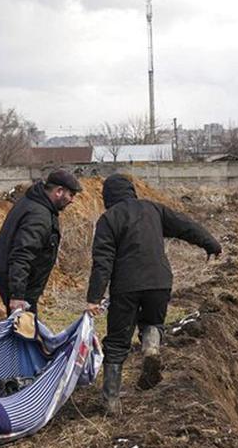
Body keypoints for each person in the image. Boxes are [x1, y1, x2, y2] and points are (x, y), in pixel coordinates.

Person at [85, 174, 220, 415]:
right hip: (159, 281)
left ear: (107, 196)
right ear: (131, 191)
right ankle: (151, 349)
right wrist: (210, 243)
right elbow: (186, 226)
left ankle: (112, 402)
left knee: (117, 341)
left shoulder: (108, 219)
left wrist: (94, 297)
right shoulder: (153, 209)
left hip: (126, 286)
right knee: (153, 322)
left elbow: (102, 262)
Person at [0, 169, 82, 314]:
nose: (72, 200)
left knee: (27, 325)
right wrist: (17, 295)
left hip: (16, 278)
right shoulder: (39, 216)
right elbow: (22, 254)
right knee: (24, 328)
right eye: (71, 195)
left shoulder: (35, 202)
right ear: (59, 191)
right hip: (16, 281)